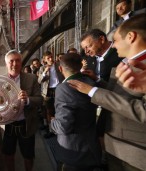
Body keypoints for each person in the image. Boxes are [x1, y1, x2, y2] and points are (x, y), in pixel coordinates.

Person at [68, 14, 146, 171]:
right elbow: (121, 93)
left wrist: (93, 91)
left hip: (135, 151)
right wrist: (98, 80)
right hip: (116, 143)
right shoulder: (127, 62)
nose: (114, 46)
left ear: (130, 37)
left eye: (115, 40)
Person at [0, 49, 42, 171]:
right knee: (8, 155)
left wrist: (27, 99)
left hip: (26, 124)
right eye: (11, 61)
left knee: (28, 156)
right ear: (6, 63)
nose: (14, 64)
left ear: (21, 62)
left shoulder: (31, 78)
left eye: (17, 60)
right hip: (8, 125)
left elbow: (39, 100)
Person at [50, 53, 102, 170]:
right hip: (91, 148)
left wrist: (52, 123)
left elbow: (63, 126)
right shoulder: (90, 82)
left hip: (74, 153)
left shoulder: (64, 88)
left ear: (60, 68)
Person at [38, 51, 64, 138]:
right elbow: (39, 80)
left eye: (51, 57)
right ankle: (51, 129)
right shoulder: (42, 68)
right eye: (48, 58)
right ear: (45, 60)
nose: (51, 59)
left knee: (59, 110)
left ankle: (60, 128)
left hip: (58, 89)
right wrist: (45, 71)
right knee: (49, 111)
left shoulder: (58, 65)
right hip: (48, 91)